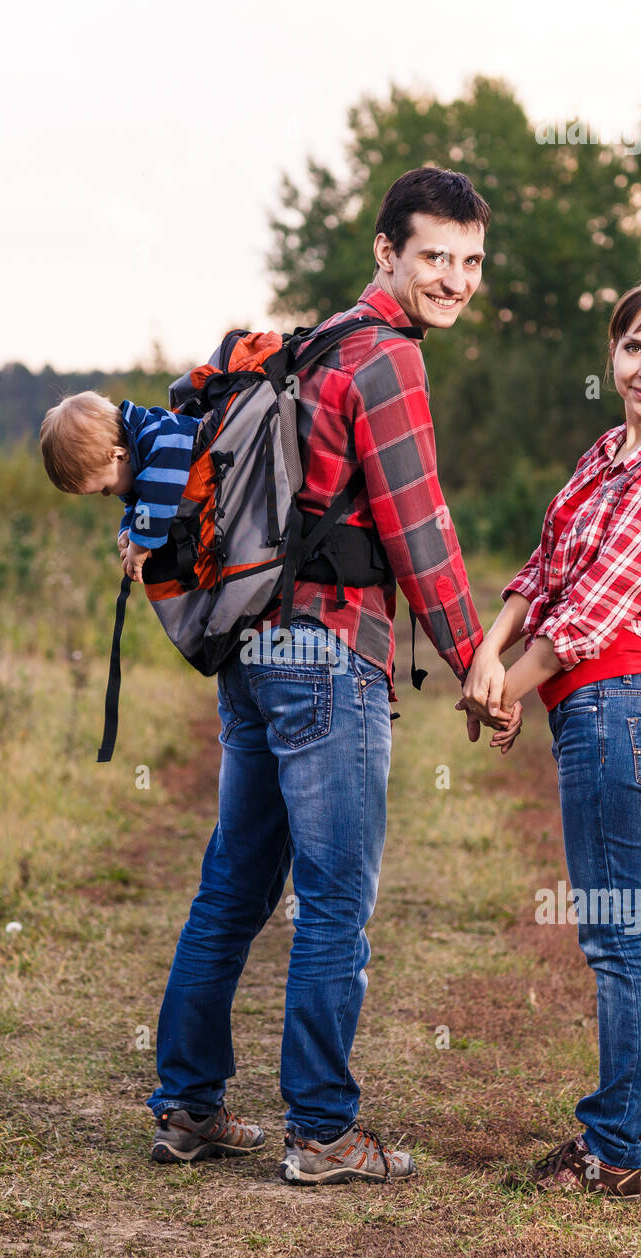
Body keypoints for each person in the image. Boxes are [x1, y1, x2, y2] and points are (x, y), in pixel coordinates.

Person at [146, 167, 516, 1184]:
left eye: (471, 261)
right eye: (435, 255)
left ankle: (186, 1106)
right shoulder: (387, 360)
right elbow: (417, 526)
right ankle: (319, 1129)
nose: (454, 278)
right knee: (335, 899)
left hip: (254, 650)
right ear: (385, 252)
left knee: (234, 885)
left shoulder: (306, 348)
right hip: (327, 654)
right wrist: (475, 660)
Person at [458, 274, 641, 1199]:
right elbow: (543, 569)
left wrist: (504, 693)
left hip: (615, 704)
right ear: (612, 354)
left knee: (615, 936)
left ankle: (612, 1147)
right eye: (633, 347)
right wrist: (487, 656)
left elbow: (593, 608)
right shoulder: (607, 451)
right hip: (587, 705)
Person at [39, 390, 197, 581]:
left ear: (119, 455)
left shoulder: (161, 443)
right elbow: (140, 501)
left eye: (105, 488)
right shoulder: (137, 457)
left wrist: (139, 546)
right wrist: (128, 530)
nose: (106, 495)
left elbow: (156, 498)